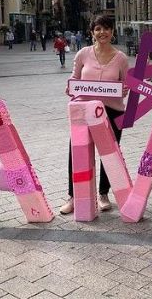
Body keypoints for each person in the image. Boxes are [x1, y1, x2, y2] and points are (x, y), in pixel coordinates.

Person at [60, 16, 130, 215]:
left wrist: (124, 89)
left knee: (110, 155)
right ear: (92, 32)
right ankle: (74, 196)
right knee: (76, 153)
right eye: (98, 29)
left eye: (107, 28)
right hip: (84, 111)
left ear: (112, 31)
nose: (102, 33)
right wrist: (71, 87)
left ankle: (103, 194)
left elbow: (126, 83)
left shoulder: (121, 58)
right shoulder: (83, 54)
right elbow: (74, 79)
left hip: (113, 111)